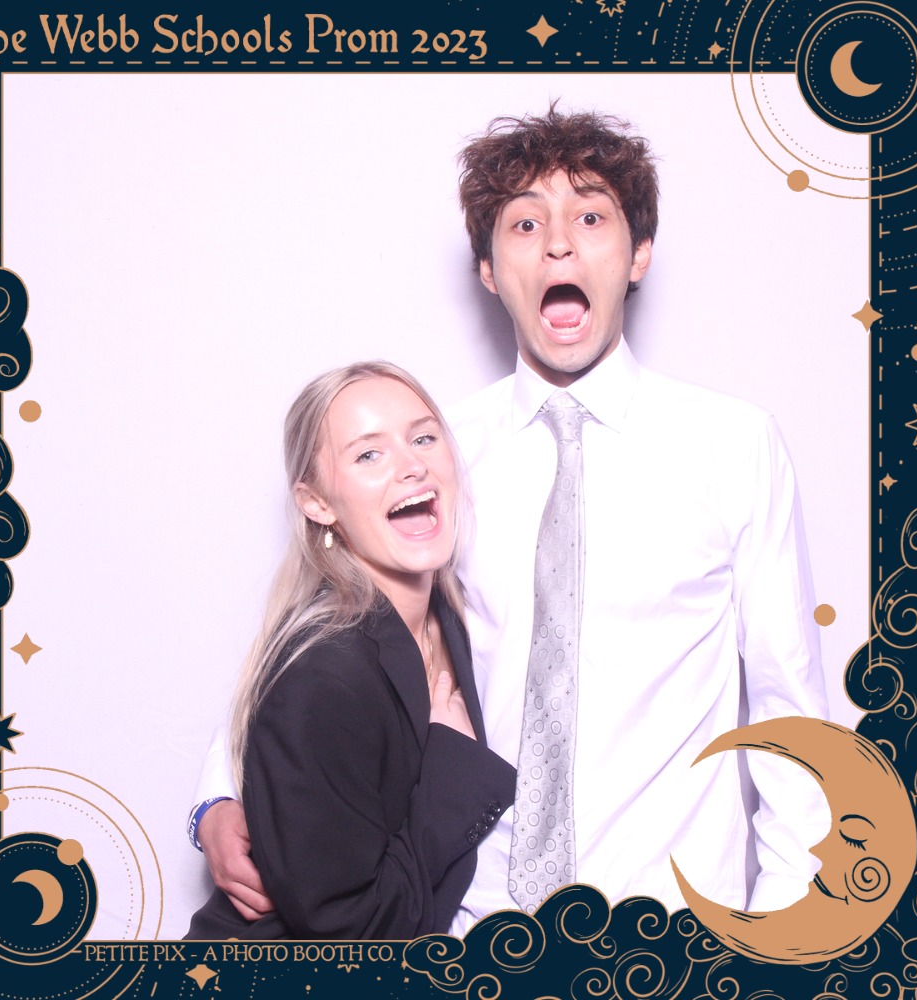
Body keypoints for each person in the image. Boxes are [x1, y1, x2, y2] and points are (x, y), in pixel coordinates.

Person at [188, 106, 829, 932]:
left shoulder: (735, 445)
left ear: (638, 253)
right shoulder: (435, 454)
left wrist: (782, 931)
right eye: (525, 224)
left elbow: (788, 708)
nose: (558, 245)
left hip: (668, 930)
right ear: (490, 270)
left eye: (591, 218)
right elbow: (327, 627)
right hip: (466, 923)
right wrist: (219, 796)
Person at [185, 361, 516, 939]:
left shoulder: (441, 612)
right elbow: (352, 938)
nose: (412, 465)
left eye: (423, 439)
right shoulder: (325, 674)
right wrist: (454, 771)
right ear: (318, 503)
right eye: (368, 454)